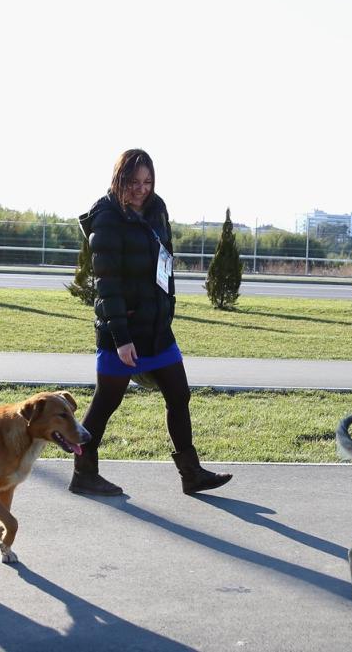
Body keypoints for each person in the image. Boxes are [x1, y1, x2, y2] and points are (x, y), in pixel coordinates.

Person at [70, 149, 232, 496]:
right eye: (133, 182)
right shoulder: (107, 217)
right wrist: (121, 337)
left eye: (147, 181)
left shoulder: (157, 210)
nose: (141, 189)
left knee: (179, 395)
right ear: (119, 179)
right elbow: (107, 284)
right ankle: (84, 472)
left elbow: (165, 263)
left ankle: (191, 473)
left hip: (157, 329)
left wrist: (167, 308)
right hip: (122, 331)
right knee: (106, 403)